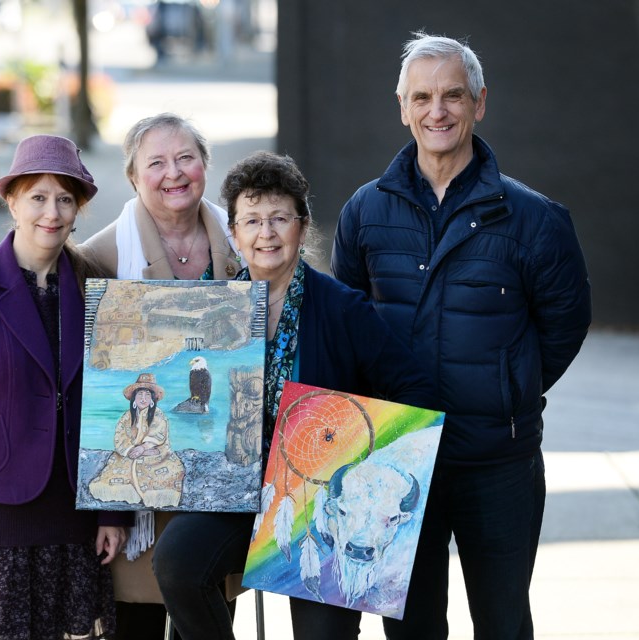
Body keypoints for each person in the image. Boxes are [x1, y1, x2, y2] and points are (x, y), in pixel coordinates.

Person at [330, 31, 592, 640]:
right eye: (422, 97)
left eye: (452, 95)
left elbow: (565, 325)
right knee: (412, 630)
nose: (437, 111)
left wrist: (509, 384)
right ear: (403, 108)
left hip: (497, 462)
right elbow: (350, 322)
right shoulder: (364, 212)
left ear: (479, 101)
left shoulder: (534, 218)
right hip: (398, 466)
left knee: (502, 622)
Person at [151, 150, 439, 640]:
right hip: (232, 493)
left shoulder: (343, 309)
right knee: (177, 562)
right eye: (252, 220)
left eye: (280, 218)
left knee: (324, 634)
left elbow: (416, 388)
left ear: (302, 228)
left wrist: (362, 452)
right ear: (235, 236)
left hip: (318, 499)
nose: (266, 233)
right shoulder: (207, 309)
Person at [0, 134, 130, 639]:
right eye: (38, 197)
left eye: (65, 199)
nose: (52, 212)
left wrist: (113, 511)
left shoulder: (96, 290)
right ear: (12, 201)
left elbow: (111, 407)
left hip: (73, 513)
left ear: (79, 209)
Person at [80, 112, 246, 640]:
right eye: (156, 163)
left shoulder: (243, 241)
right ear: (133, 177)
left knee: (207, 617)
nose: (173, 173)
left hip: (219, 479)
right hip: (138, 488)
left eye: (185, 158)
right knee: (139, 620)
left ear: (204, 166)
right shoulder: (101, 257)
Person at [89, 372, 186, 508]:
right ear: (134, 398)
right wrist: (130, 450)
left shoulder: (158, 415)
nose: (143, 398)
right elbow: (120, 437)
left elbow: (158, 435)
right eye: (140, 394)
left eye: (147, 395)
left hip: (156, 455)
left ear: (152, 399)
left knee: (168, 473)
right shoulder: (126, 417)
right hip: (129, 455)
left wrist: (142, 448)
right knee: (114, 474)